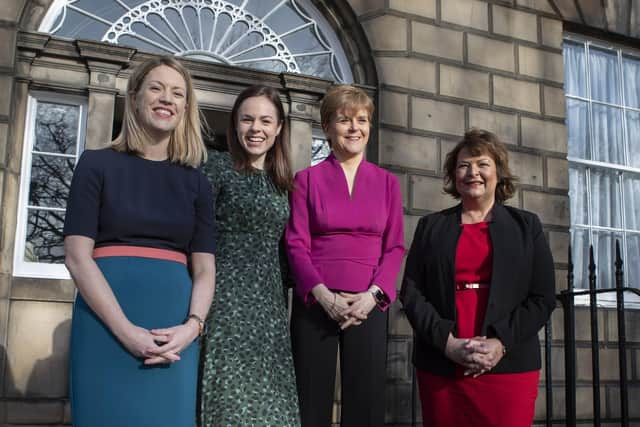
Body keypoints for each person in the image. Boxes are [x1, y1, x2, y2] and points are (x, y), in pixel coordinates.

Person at [64, 56, 216, 427]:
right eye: (157, 88)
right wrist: (125, 331)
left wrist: (192, 327)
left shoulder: (198, 182)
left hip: (174, 331)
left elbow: (205, 269)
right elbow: (77, 257)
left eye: (177, 93)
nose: (167, 99)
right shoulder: (95, 164)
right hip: (104, 323)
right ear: (134, 97)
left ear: (185, 107)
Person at [400, 128, 556, 427]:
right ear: (453, 176)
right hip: (441, 363)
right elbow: (412, 292)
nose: (473, 172)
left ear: (498, 172)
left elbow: (543, 297)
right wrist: (448, 344)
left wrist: (500, 343)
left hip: (509, 365)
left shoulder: (527, 226)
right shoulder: (431, 226)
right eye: (463, 165)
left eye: (482, 163)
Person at [286, 85, 405, 426]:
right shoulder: (306, 180)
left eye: (362, 120)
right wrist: (322, 295)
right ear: (327, 127)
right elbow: (296, 243)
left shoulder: (387, 184)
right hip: (316, 304)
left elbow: (395, 246)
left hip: (368, 305)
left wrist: (373, 296)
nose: (354, 128)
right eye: (344, 120)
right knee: (310, 403)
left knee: (365, 405)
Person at [199, 85, 300, 426]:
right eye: (247, 119)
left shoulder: (284, 183)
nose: (256, 128)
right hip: (224, 300)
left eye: (265, 120)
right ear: (235, 124)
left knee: (271, 403)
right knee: (228, 399)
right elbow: (195, 237)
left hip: (270, 306)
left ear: (279, 128)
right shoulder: (216, 168)